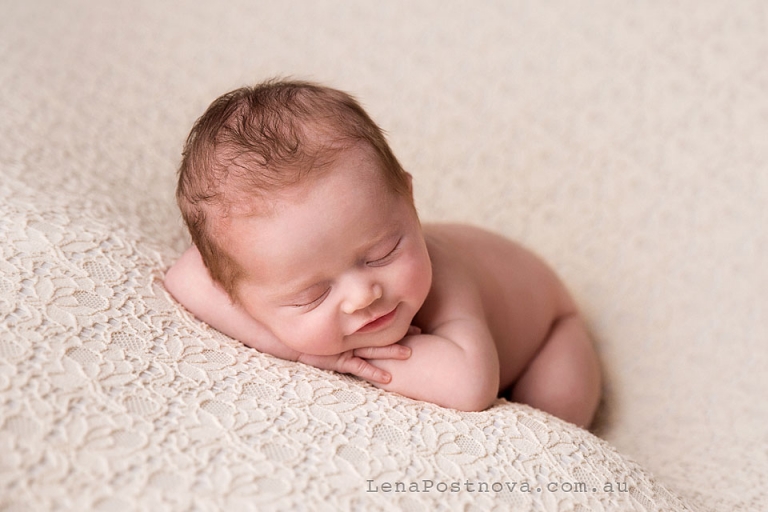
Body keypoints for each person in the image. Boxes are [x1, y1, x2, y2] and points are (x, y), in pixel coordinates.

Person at [164, 79, 601, 427]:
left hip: (547, 327)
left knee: (556, 407)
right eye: (312, 295)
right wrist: (302, 353)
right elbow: (183, 278)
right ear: (236, 291)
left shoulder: (448, 281)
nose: (363, 296)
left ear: (408, 200)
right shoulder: (244, 273)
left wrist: (344, 358)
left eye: (383, 252)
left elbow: (470, 385)